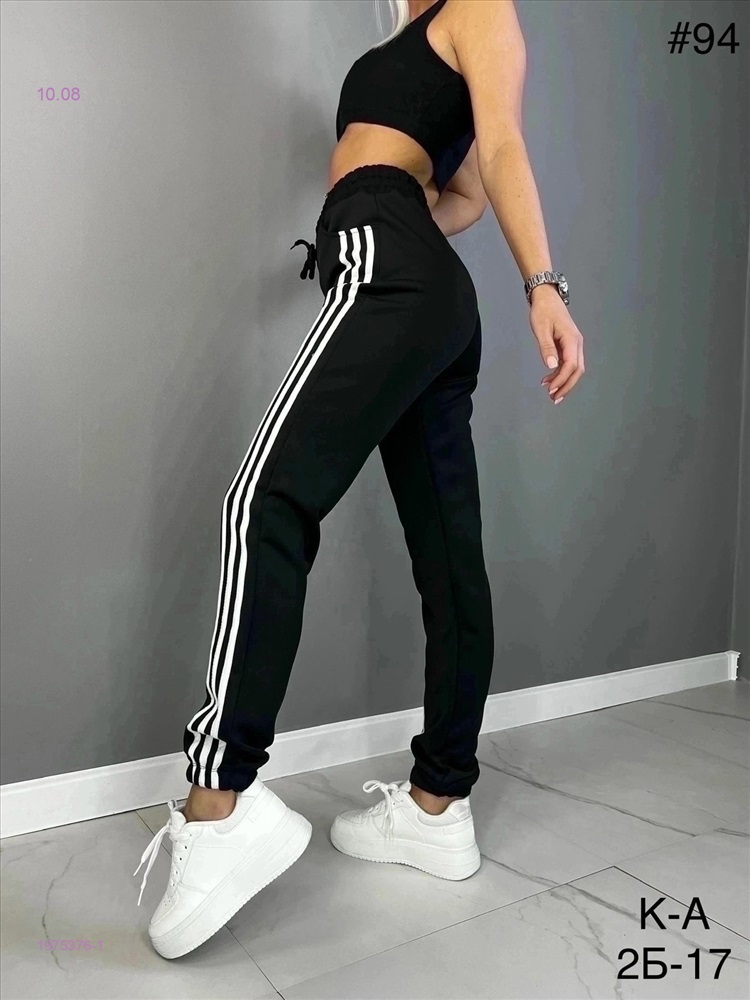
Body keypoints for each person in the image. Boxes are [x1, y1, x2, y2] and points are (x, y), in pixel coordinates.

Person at [132, 0, 586, 959]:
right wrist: (380, 223)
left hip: (391, 265)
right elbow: (461, 194)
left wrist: (543, 285)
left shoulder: (476, 7)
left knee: (264, 499)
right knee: (449, 562)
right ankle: (436, 808)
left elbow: (502, 150)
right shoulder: (411, 28)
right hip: (411, 276)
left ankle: (219, 804)